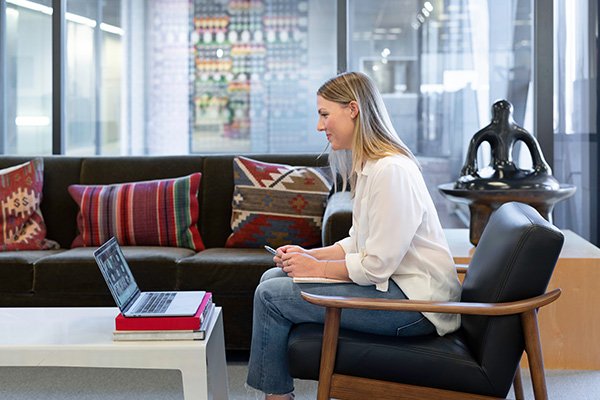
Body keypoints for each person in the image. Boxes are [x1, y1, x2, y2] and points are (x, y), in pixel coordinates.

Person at [246, 71, 462, 400]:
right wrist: (308, 255)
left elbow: (375, 265)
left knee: (270, 296)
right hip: (399, 290)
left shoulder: (391, 171)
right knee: (272, 275)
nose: (320, 127)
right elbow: (357, 243)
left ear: (352, 109)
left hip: (417, 307)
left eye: (324, 114)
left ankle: (277, 398)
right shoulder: (372, 166)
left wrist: (315, 269)